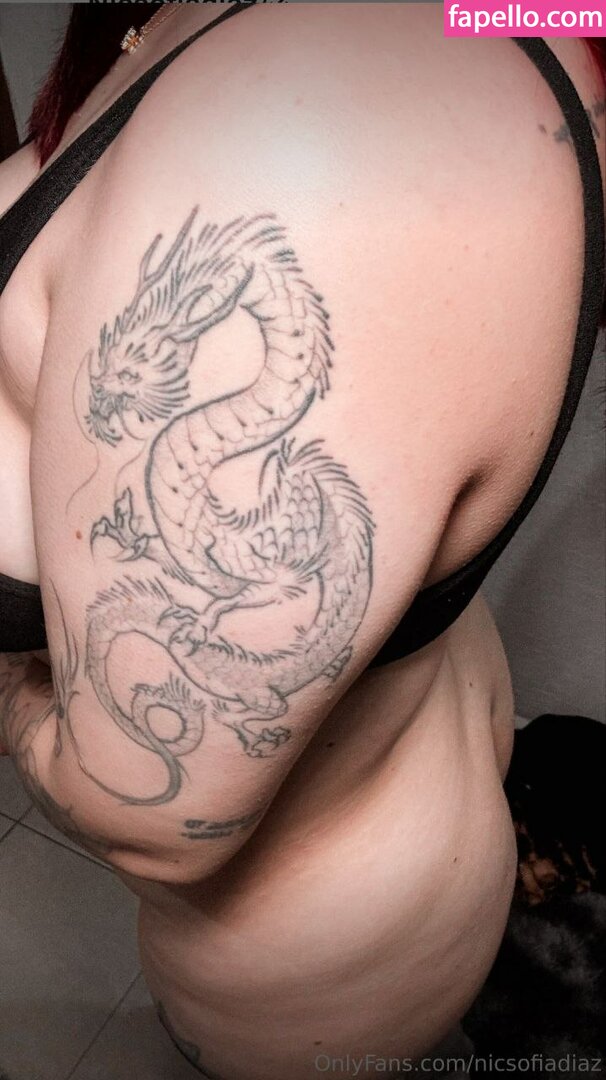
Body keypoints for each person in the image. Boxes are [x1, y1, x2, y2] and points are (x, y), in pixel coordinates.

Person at [0, 5, 603, 1078]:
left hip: (304, 957)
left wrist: (8, 683)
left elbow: (147, 810)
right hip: (401, 767)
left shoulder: (312, 140)